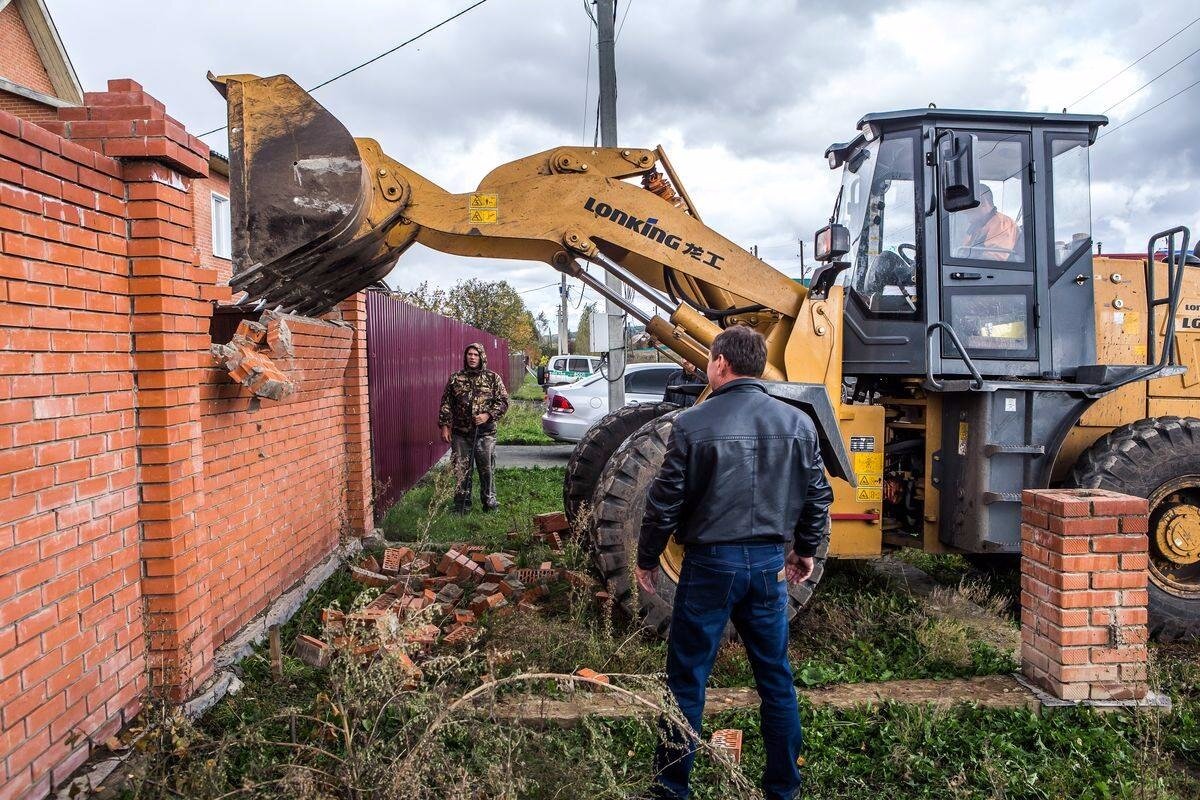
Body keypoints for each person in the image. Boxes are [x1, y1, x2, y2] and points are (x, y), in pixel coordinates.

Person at [635, 325, 833, 800]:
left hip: (708, 567)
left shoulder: (692, 424)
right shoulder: (798, 424)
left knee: (687, 678)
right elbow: (817, 497)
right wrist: (804, 550)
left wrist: (646, 558)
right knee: (775, 679)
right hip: (768, 568)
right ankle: (783, 790)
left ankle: (671, 789)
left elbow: (664, 504)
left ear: (721, 364)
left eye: (709, 360)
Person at [438, 343, 509, 513]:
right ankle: (462, 505)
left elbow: (504, 402)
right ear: (465, 357)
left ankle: (490, 504)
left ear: (482, 357)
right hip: (460, 434)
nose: (472, 357)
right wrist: (444, 426)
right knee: (460, 469)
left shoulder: (492, 378)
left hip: (485, 433)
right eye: (469, 354)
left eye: (476, 354)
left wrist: (487, 415)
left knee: (487, 470)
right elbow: (446, 403)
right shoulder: (456, 378)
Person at [955, 184, 1019, 261]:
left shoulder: (1002, 223)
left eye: (968, 209)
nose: (965, 212)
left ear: (983, 202)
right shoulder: (976, 227)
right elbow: (963, 253)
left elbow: (992, 260)